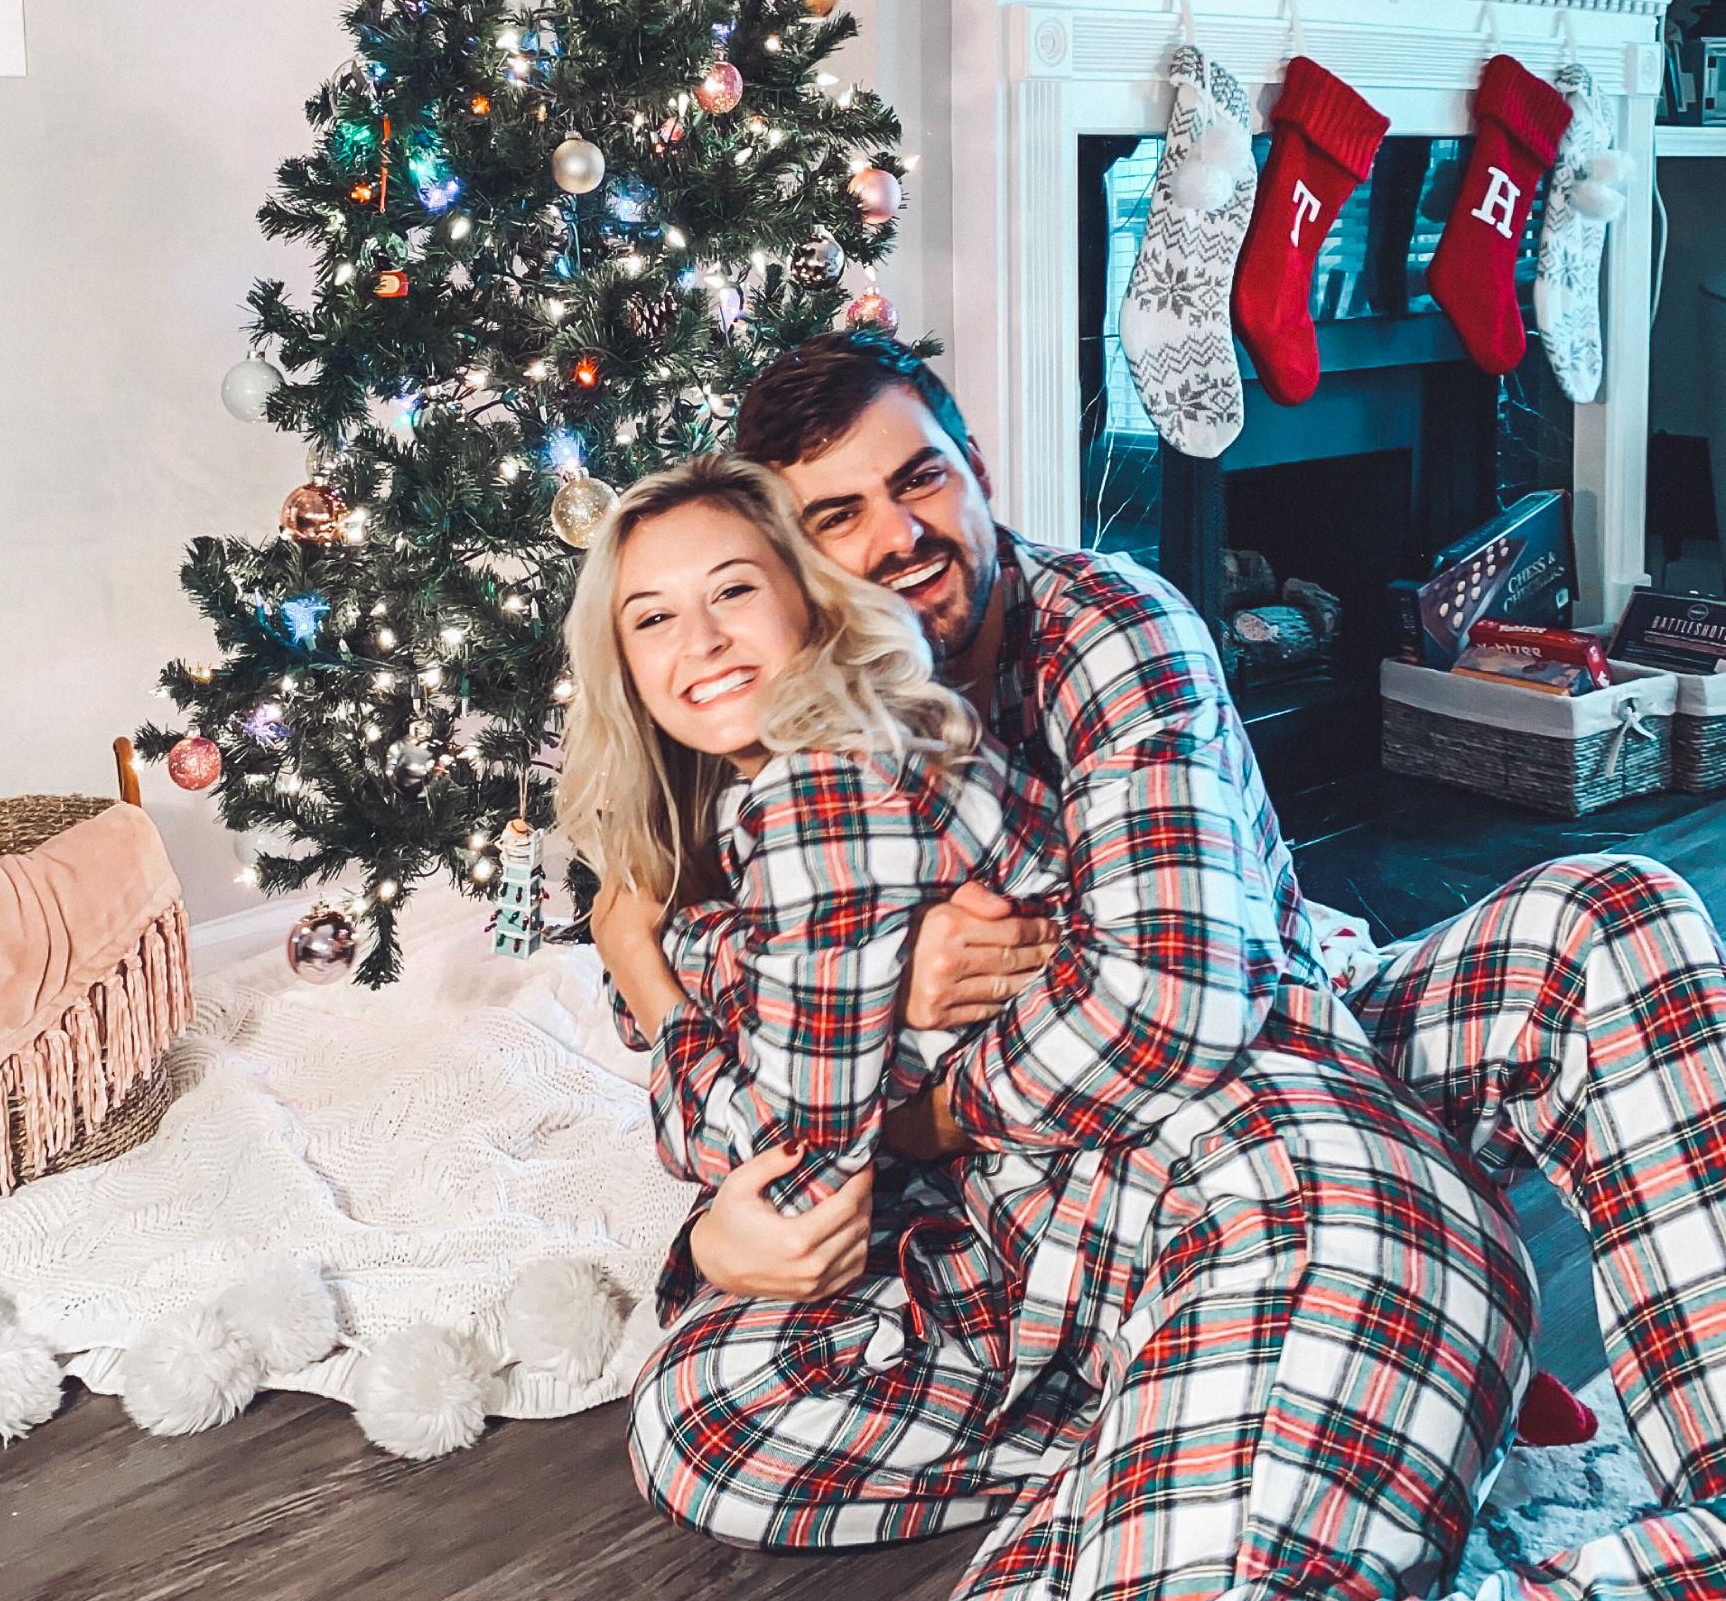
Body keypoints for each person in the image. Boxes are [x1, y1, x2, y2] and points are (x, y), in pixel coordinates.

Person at [627, 329, 1726, 1601]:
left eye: (917, 479)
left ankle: (1376, 1397)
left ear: (975, 467)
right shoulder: (759, 732)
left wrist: (905, 1107)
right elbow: (759, 1092)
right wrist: (668, 1016)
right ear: (793, 562)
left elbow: (1169, 1003)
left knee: (1610, 917)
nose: (897, 534)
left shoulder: (1104, 624)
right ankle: (1286, 1405)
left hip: (1270, 1079)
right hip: (1049, 1216)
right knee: (701, 1418)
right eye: (836, 516)